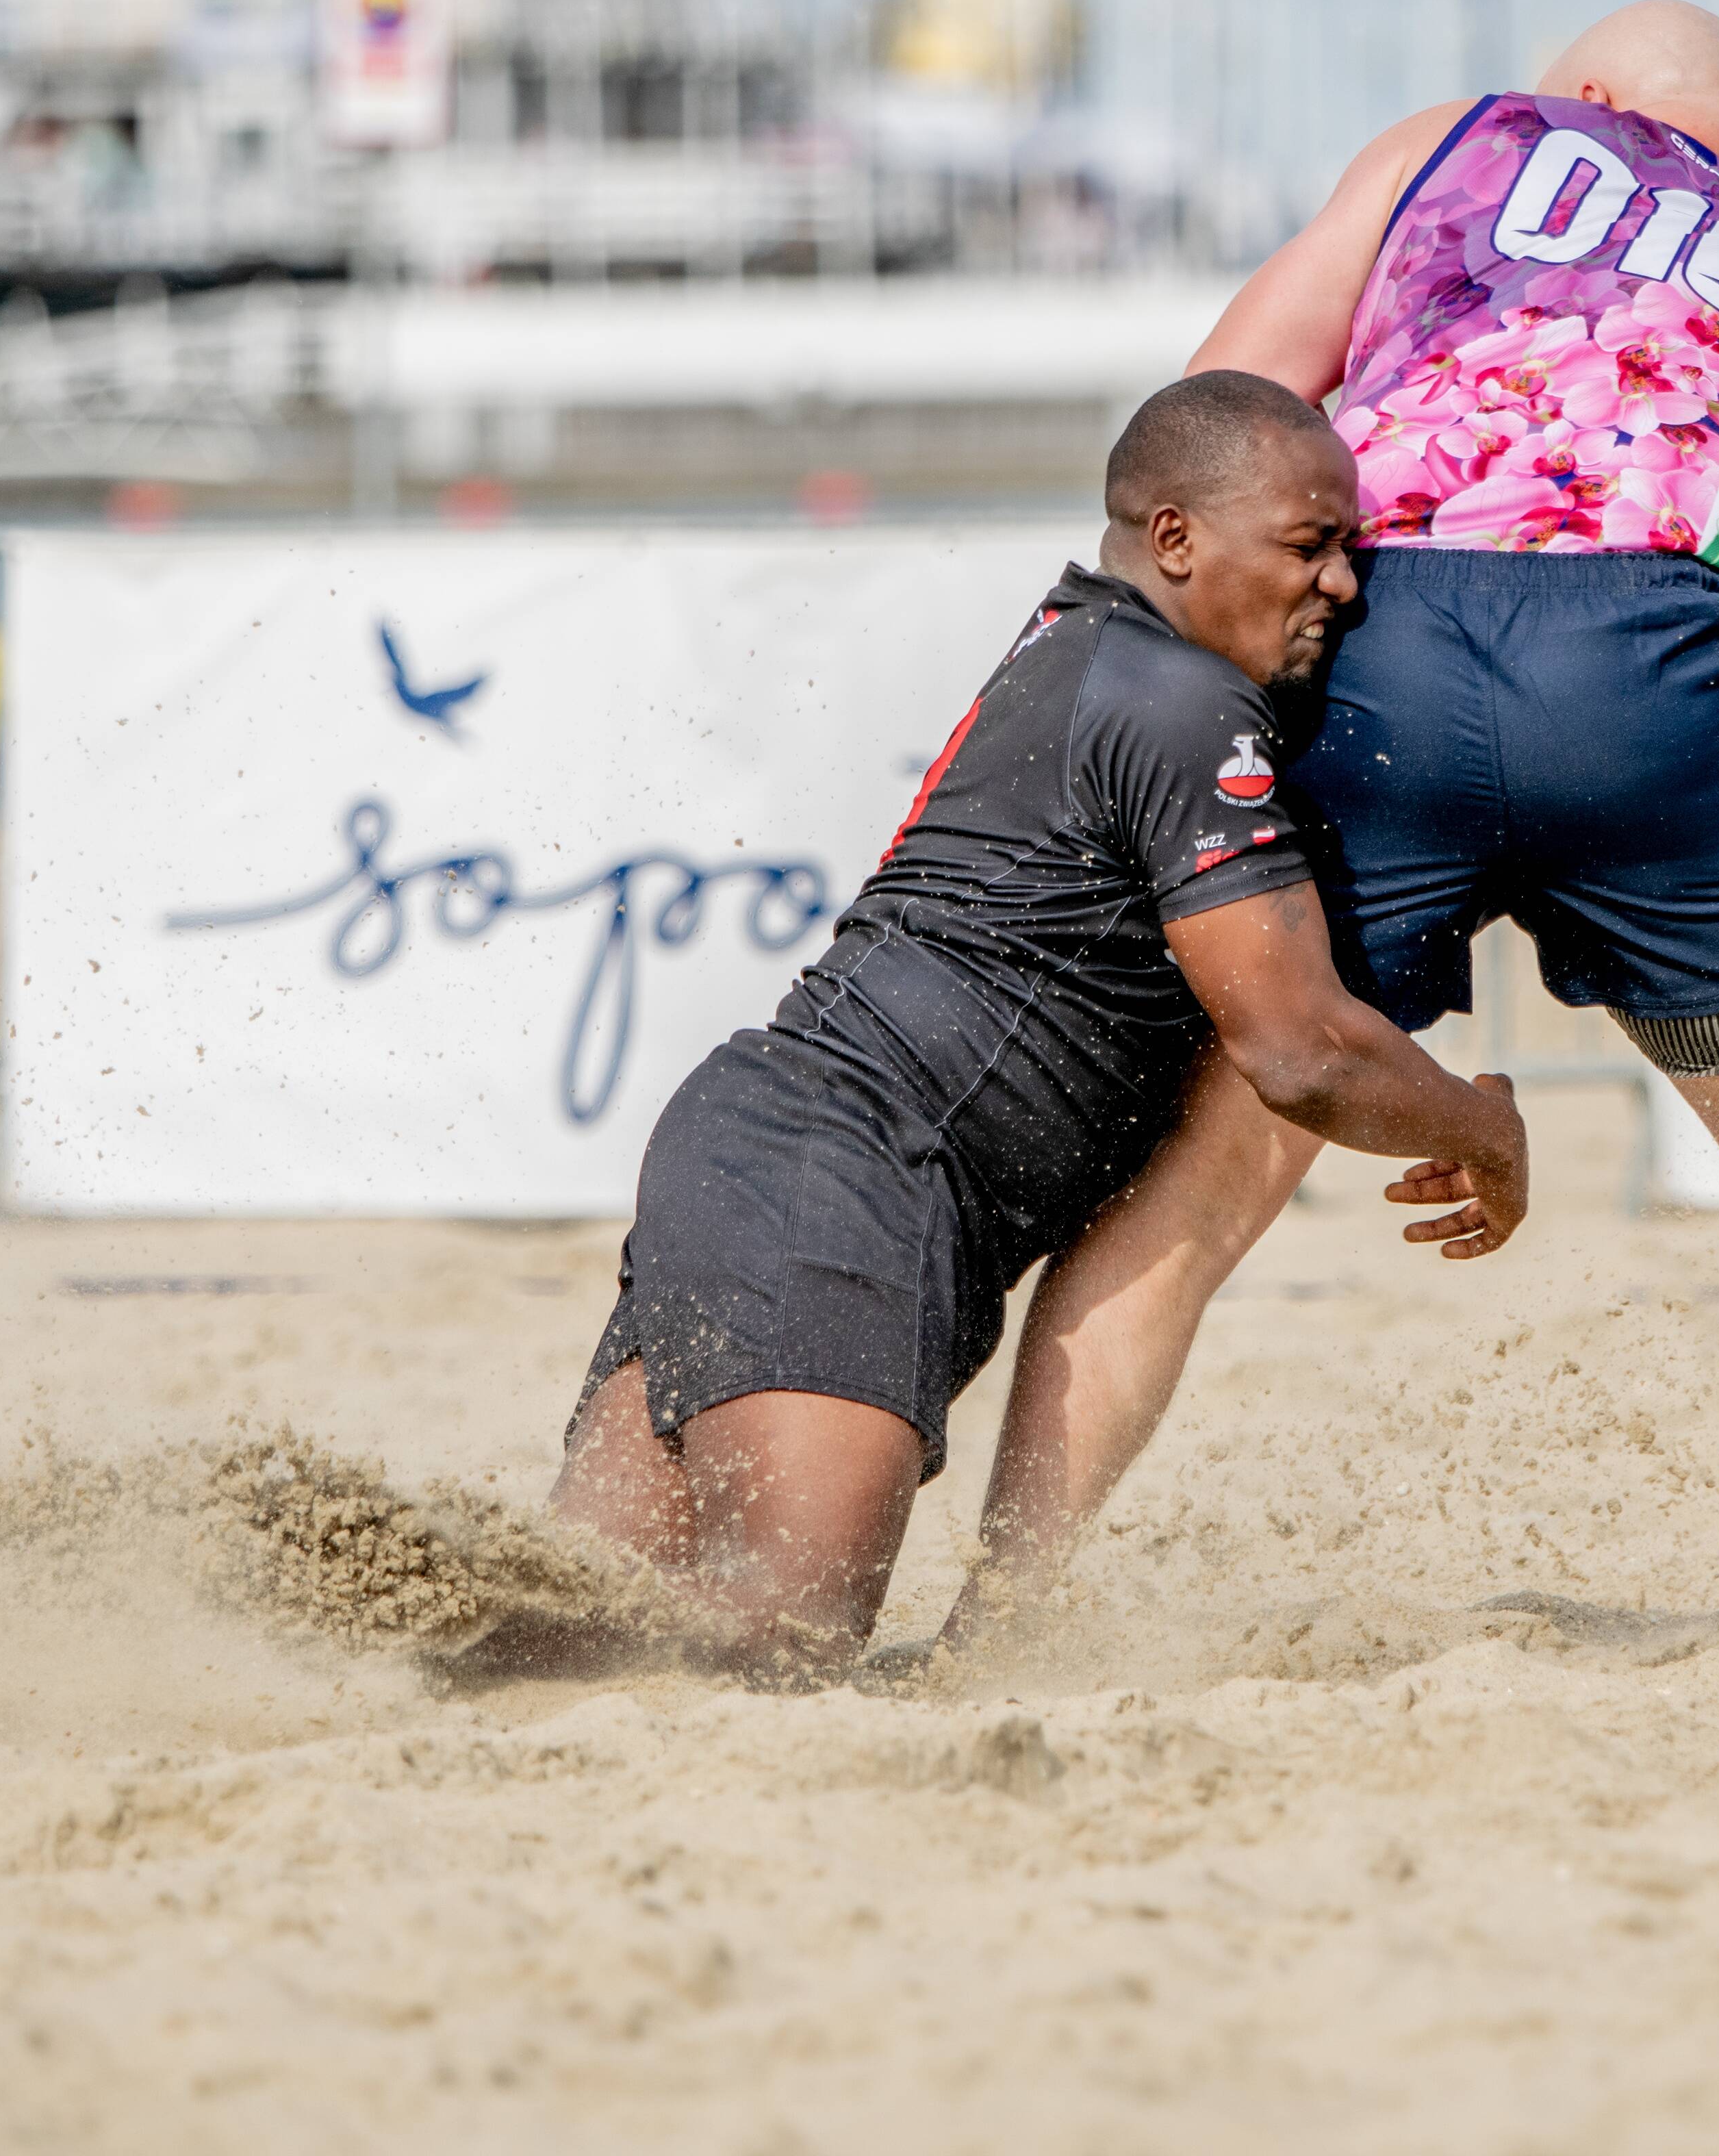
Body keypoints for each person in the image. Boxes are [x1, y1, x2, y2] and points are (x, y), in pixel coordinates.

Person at [945, 0, 1719, 1655]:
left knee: (1207, 1178)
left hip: (1387, 638)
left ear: (1583, 94)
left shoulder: (1471, 136)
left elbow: (1223, 393)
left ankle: (1000, 1622)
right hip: (1653, 671)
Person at [546, 371, 1531, 1676]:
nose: (1342, 584)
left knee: (561, 1658)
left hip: (768, 1155)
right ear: (1174, 539)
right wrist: (1487, 1132)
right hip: (848, 1178)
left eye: (1347, 547)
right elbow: (1297, 1050)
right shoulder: (1184, 700)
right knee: (769, 1669)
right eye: (1311, 546)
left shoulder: (1083, 645)